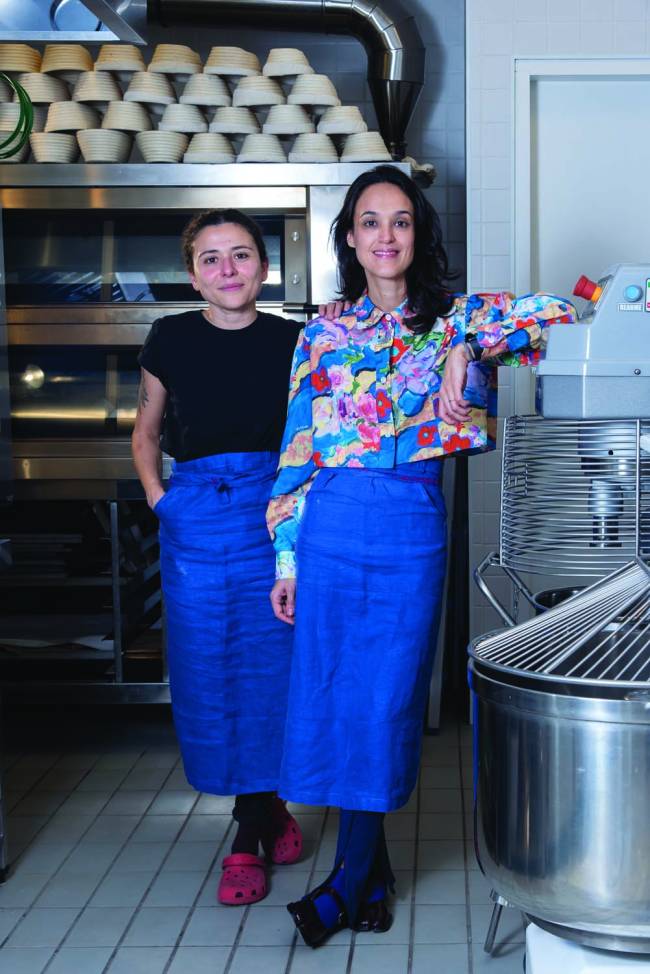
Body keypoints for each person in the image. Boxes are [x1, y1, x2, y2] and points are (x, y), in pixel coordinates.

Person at [266, 165, 576, 947]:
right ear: (350, 237)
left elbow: (573, 316)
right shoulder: (323, 332)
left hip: (409, 525)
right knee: (336, 696)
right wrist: (286, 560)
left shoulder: (457, 320)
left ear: (420, 234)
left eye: (401, 221)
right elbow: (296, 451)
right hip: (332, 525)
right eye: (369, 221)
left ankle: (349, 876)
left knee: (385, 699)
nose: (385, 236)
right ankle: (365, 871)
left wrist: (467, 353)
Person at [131, 208, 307, 906]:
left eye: (240, 256)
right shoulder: (169, 337)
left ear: (264, 268)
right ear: (191, 272)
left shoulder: (297, 339)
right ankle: (262, 814)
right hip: (196, 519)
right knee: (210, 667)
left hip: (275, 517)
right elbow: (146, 434)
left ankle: (249, 827)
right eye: (211, 258)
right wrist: (160, 500)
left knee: (274, 666)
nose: (227, 270)